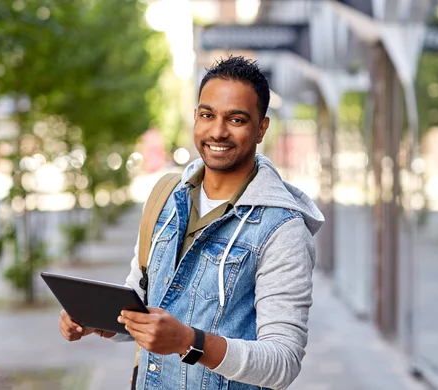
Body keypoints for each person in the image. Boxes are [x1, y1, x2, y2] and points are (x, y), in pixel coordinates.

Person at [58, 56, 324, 390]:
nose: (218, 131)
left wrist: (188, 341)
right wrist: (99, 320)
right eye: (207, 115)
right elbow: (142, 306)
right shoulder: (165, 196)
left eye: (236, 119)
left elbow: (282, 362)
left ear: (261, 128)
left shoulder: (282, 229)